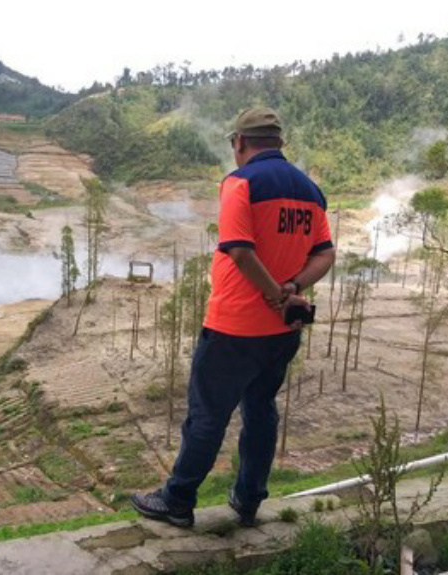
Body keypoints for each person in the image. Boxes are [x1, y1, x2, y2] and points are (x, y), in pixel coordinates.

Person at [131, 107, 336, 528]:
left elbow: (239, 250)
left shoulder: (239, 183)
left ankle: (178, 500)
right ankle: (248, 499)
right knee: (260, 410)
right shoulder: (311, 192)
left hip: (233, 328)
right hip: (282, 332)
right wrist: (292, 288)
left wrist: (270, 293)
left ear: (239, 143)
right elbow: (326, 253)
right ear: (280, 144)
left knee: (206, 417)